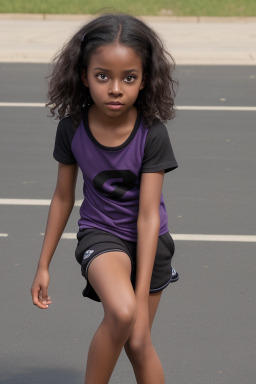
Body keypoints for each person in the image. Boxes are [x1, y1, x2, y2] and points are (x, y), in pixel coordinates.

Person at [31, 13, 179, 384]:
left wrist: (143, 292)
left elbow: (147, 217)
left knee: (139, 342)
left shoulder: (152, 133)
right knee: (124, 311)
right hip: (102, 235)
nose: (116, 88)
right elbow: (63, 197)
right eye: (103, 76)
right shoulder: (72, 128)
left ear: (145, 80)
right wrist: (43, 264)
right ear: (83, 76)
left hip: (150, 241)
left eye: (129, 77)